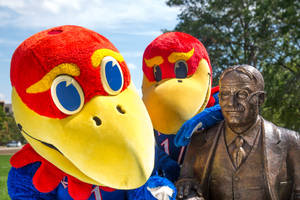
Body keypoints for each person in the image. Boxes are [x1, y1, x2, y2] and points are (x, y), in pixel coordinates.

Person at [176, 65, 300, 200]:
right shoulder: (199, 141)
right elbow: (186, 185)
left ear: (260, 99)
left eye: (242, 94)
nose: (231, 103)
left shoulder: (291, 142)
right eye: (225, 94)